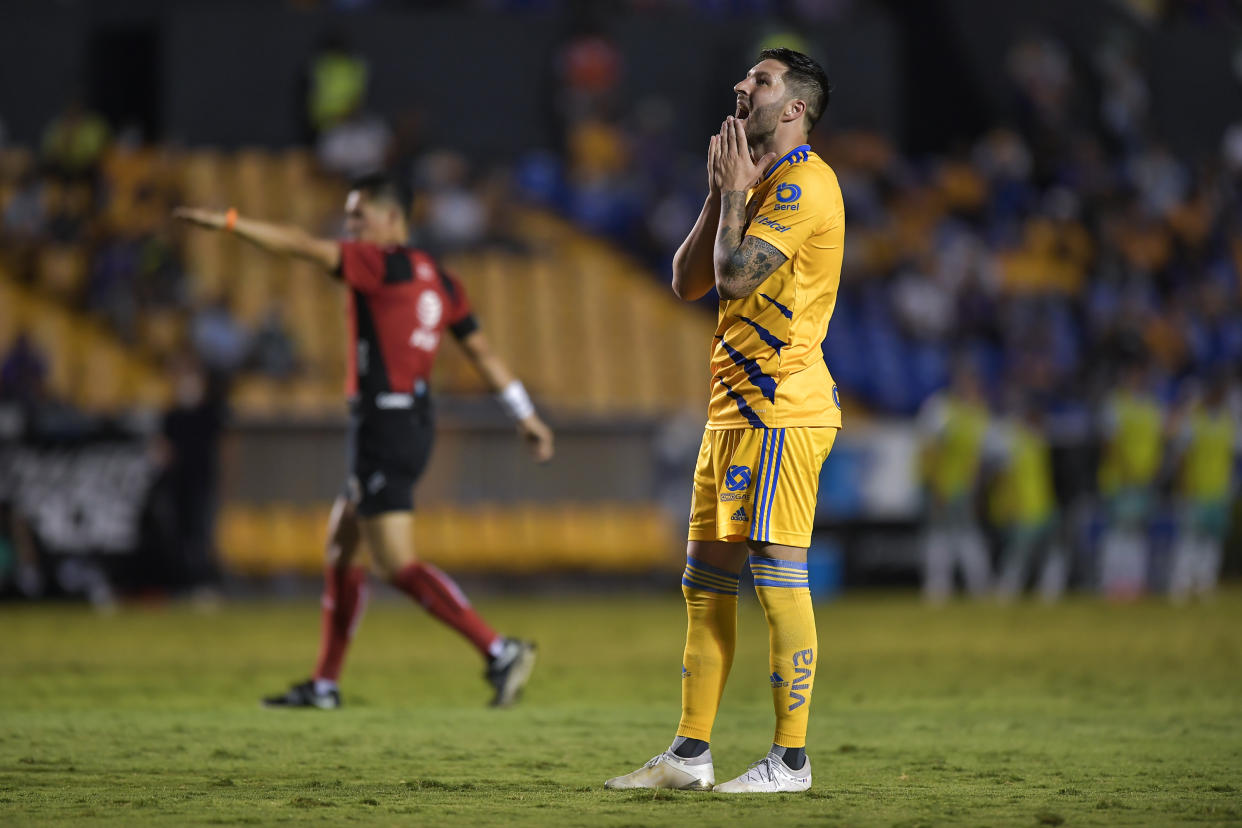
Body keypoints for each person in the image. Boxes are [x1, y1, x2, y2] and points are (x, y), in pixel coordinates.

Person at [173, 173, 554, 708]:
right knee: (341, 546)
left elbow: (303, 247)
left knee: (397, 564)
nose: (349, 226)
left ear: (393, 219)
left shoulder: (376, 264)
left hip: (386, 426)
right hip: (405, 422)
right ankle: (325, 684)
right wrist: (525, 414)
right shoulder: (442, 281)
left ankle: (498, 649)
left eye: (359, 216)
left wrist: (231, 222)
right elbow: (482, 353)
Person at [606, 48, 839, 794]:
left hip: (782, 409)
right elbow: (686, 281)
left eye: (761, 81)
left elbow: (736, 278)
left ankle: (792, 761)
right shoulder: (757, 182)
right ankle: (689, 754)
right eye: (746, 78)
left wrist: (735, 198)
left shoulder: (807, 184)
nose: (743, 86)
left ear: (795, 107)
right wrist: (719, 194)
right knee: (705, 585)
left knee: (777, 579)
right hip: (732, 411)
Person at [916, 362, 992, 603]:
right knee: (943, 536)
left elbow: (976, 457)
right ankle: (939, 587)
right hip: (943, 485)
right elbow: (934, 450)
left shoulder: (976, 414)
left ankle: (975, 586)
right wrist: (937, 484)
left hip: (961, 487)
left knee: (962, 536)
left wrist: (974, 487)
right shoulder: (945, 411)